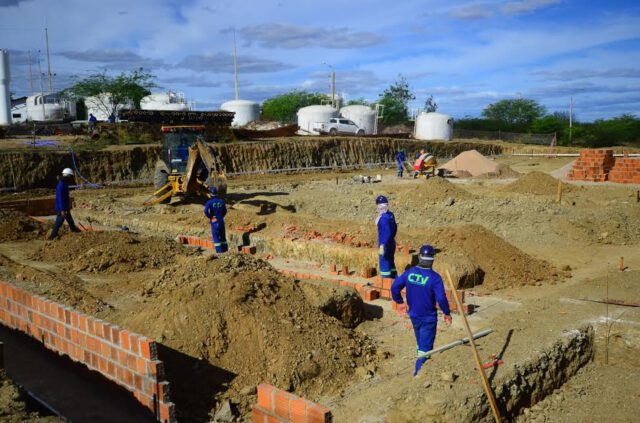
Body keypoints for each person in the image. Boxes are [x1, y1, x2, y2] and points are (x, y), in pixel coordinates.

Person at [391, 244, 452, 376]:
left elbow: (395, 286)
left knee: (421, 344)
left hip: (414, 316)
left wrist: (400, 302)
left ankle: (423, 361)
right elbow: (441, 298)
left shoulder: (410, 272)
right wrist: (447, 313)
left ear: (419, 257)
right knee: (425, 349)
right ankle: (419, 374)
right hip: (428, 318)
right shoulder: (435, 278)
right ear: (433, 259)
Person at [49, 168, 82, 240]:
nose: (70, 179)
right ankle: (52, 236)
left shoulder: (64, 183)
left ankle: (73, 229)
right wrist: (62, 210)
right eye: (70, 177)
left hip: (65, 207)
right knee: (59, 222)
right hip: (62, 208)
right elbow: (60, 198)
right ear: (67, 176)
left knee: (70, 219)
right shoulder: (61, 185)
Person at [375, 195, 397, 279]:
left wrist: (382, 245)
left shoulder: (384, 219)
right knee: (391, 264)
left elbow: (387, 232)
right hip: (391, 243)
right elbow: (394, 229)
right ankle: (395, 282)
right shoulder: (390, 215)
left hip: (385, 245)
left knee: (384, 266)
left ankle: (387, 285)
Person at [204, 186, 228, 253]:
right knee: (223, 237)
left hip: (214, 222)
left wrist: (211, 217)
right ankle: (226, 251)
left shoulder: (209, 202)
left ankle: (220, 252)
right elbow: (225, 211)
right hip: (221, 221)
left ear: (210, 194)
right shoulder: (222, 201)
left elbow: (206, 211)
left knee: (216, 238)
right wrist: (221, 217)